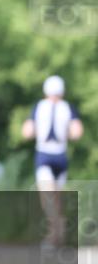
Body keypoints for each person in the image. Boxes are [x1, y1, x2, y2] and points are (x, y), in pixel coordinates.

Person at [22, 75, 84, 246]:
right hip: (52, 155)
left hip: (53, 155)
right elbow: (77, 132)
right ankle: (56, 233)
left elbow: (27, 131)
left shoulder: (50, 108)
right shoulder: (56, 107)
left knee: (52, 197)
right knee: (52, 196)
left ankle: (55, 233)